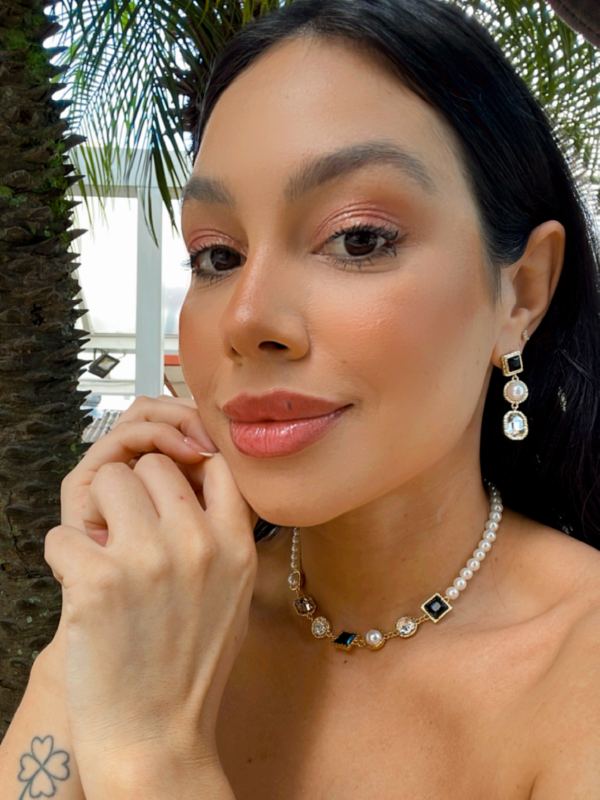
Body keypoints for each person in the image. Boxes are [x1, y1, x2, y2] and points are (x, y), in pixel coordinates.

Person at [1, 0, 600, 796]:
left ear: (520, 293)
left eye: (358, 238)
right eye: (217, 256)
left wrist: (153, 751)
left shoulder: (581, 663)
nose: (248, 319)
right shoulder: (158, 617)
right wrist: (85, 630)